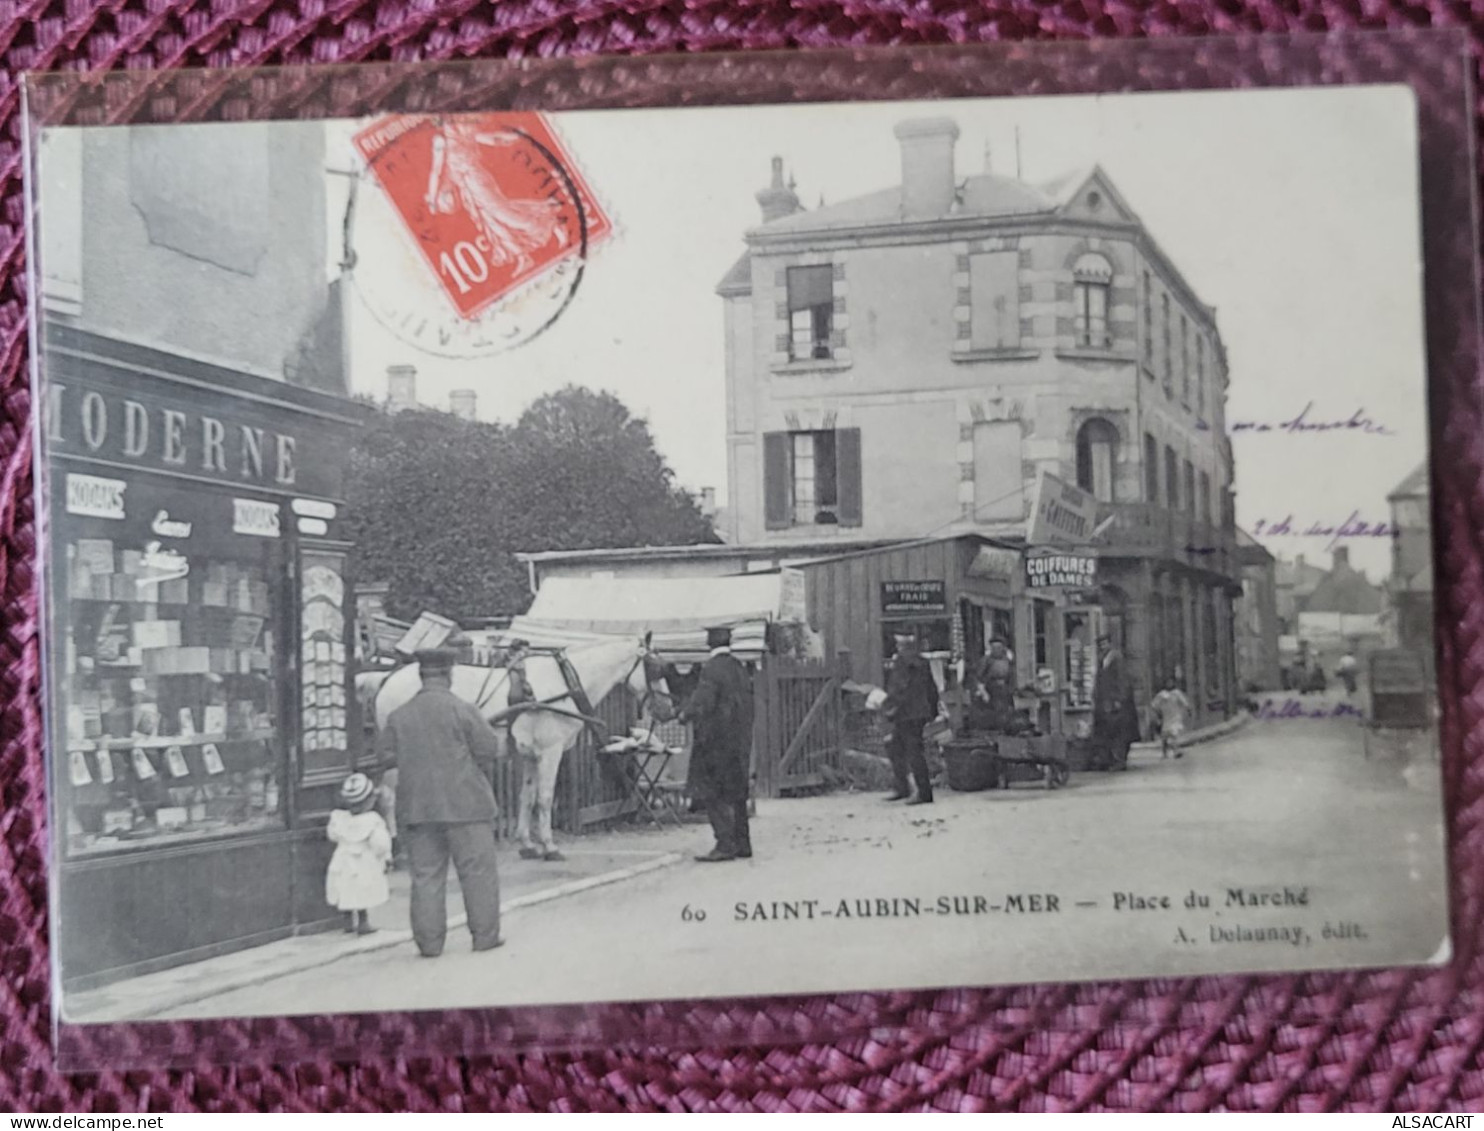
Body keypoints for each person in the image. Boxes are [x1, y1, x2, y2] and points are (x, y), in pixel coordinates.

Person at [376, 646, 505, 957]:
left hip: (418, 809)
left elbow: (385, 758)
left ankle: (430, 944)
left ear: (421, 675)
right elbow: (490, 750)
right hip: (467, 807)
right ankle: (484, 937)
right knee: (477, 873)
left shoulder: (398, 716)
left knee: (425, 877)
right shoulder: (463, 709)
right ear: (450, 674)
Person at [680, 626, 755, 862]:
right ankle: (743, 843)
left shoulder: (711, 669)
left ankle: (724, 844)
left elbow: (703, 701)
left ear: (708, 644)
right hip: (739, 741)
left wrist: (684, 714)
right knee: (737, 792)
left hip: (715, 742)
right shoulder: (739, 667)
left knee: (712, 792)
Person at [325, 772, 393, 935]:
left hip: (342, 859)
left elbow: (332, 835)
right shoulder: (372, 820)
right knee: (362, 890)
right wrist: (385, 857)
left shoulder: (339, 818)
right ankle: (363, 922)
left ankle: (347, 921)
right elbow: (380, 844)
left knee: (344, 888)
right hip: (364, 861)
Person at [883, 631, 943, 805]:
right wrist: (932, 712)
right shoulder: (922, 662)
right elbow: (932, 689)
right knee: (896, 747)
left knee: (913, 752)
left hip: (905, 714)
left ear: (903, 646)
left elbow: (898, 690)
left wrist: (889, 708)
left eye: (898, 644)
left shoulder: (901, 663)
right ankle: (903, 788)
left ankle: (924, 793)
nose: (897, 647)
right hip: (919, 713)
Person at [1091, 635, 1138, 771]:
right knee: (1107, 732)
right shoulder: (1102, 660)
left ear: (1110, 644)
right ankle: (1108, 759)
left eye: (1105, 644)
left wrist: (1118, 699)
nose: (1102, 647)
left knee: (1118, 732)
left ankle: (1119, 760)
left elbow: (1121, 680)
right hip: (1104, 702)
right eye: (1100, 644)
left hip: (1115, 702)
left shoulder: (1116, 658)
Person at [971, 638, 1016, 734]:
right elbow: (978, 678)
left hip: (1004, 689)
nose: (997, 650)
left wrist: (1011, 689)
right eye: (994, 647)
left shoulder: (1006, 660)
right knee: (994, 713)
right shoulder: (986, 660)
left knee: (1007, 711)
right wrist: (983, 693)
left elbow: (1010, 676)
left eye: (999, 647)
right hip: (991, 689)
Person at [1150, 680, 1192, 760]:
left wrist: (1188, 709)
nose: (1169, 684)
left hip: (1174, 716)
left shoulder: (1175, 694)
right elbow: (1154, 706)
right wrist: (1158, 715)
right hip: (1167, 717)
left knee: (1173, 735)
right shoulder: (1162, 695)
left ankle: (1175, 751)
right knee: (1165, 736)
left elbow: (1185, 703)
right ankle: (1166, 753)